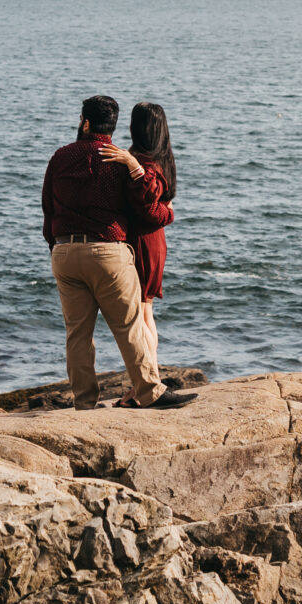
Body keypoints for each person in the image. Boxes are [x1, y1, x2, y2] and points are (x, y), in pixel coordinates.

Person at [41, 94, 193, 409]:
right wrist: (160, 201)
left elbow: (48, 211)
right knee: (129, 325)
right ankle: (150, 392)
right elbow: (149, 208)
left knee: (77, 334)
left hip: (65, 252)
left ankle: (84, 401)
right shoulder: (118, 160)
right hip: (108, 252)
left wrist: (58, 246)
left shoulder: (59, 157)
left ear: (84, 122)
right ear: (113, 126)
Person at [123, 101, 176, 364]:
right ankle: (148, 378)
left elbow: (149, 208)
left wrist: (130, 165)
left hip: (141, 242)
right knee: (146, 311)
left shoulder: (142, 164)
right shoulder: (161, 159)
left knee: (140, 312)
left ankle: (147, 380)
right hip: (154, 242)